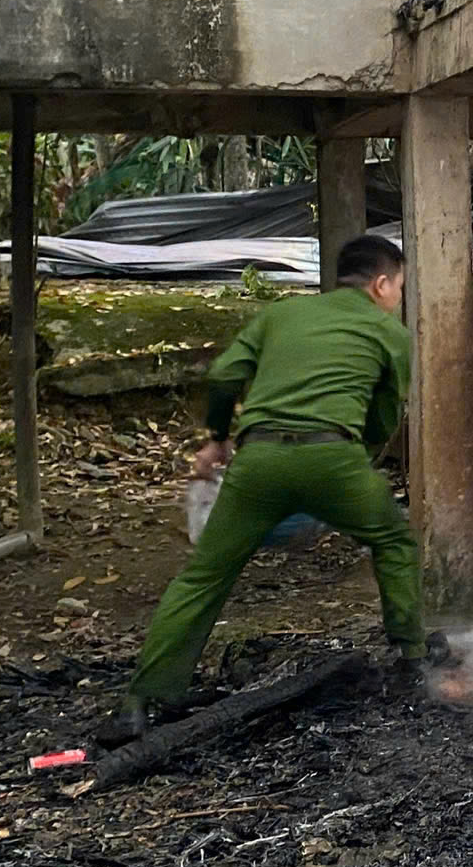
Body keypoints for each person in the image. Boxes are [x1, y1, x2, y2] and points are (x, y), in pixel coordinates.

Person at [129, 233, 436, 721]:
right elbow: (383, 418)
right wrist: (354, 461)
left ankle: (144, 699)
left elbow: (226, 374)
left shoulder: (280, 315)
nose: (397, 297)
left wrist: (217, 438)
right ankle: (412, 659)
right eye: (398, 287)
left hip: (258, 461)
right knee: (395, 542)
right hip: (332, 458)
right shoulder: (388, 333)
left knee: (204, 575)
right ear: (381, 285)